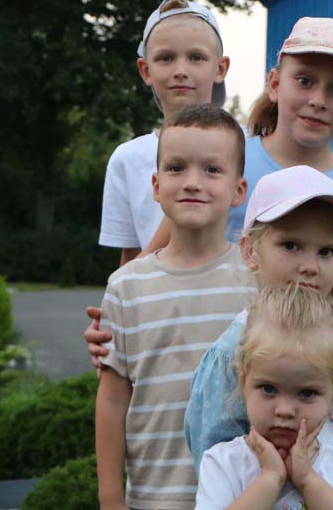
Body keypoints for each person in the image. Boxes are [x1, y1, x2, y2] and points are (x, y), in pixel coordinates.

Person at [88, 17, 333, 360]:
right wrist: (112, 322)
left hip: (302, 377)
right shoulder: (221, 164)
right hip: (198, 358)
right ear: (274, 84)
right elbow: (156, 256)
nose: (318, 100)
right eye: (304, 81)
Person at [186, 165, 333, 510]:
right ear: (250, 250)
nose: (310, 266)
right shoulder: (232, 352)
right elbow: (212, 454)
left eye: (327, 251)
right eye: (291, 245)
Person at [95, 104, 253, 510]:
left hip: (245, 496)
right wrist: (110, 497)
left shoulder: (259, 282)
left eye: (212, 170)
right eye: (176, 168)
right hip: (153, 495)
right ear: (156, 184)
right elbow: (112, 400)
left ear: (239, 190)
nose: (192, 183)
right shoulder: (125, 287)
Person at [194, 285, 333, 510]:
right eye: (268, 388)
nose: (284, 410)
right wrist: (270, 478)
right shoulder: (223, 463)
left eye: (307, 393)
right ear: (243, 383)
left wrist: (308, 481)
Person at [98, 0, 229, 267]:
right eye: (166, 58)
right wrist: (122, 292)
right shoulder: (126, 159)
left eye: (196, 57)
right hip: (155, 294)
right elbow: (130, 257)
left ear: (220, 68)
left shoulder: (245, 146)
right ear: (145, 70)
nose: (180, 70)